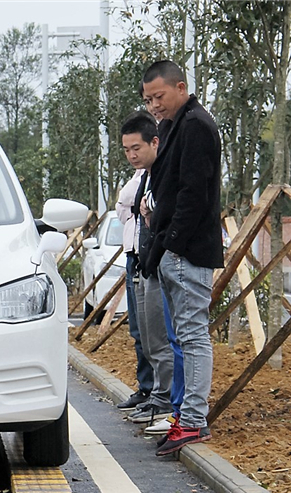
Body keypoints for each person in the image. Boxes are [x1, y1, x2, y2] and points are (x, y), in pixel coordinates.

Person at [141, 60, 222, 455]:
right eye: (148, 100)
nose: (154, 105)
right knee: (184, 336)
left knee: (192, 337)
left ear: (181, 86)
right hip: (172, 249)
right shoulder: (174, 125)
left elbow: (194, 195)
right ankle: (187, 415)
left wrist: (172, 244)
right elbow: (170, 189)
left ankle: (193, 420)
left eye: (159, 97)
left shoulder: (196, 126)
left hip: (188, 251)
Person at [118, 111, 178, 431]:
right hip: (144, 260)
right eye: (126, 150)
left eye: (136, 148)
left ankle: (166, 398)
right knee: (146, 334)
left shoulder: (163, 173)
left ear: (155, 141)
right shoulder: (145, 177)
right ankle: (156, 393)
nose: (131, 155)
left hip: (160, 262)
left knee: (163, 336)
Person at [113, 167, 154, 412]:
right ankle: (146, 387)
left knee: (154, 331)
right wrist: (135, 205)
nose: (132, 155)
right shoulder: (139, 174)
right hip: (133, 255)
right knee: (138, 329)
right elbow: (122, 204)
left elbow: (131, 197)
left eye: (136, 147)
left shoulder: (154, 171)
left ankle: (159, 391)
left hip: (149, 254)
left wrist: (137, 203)